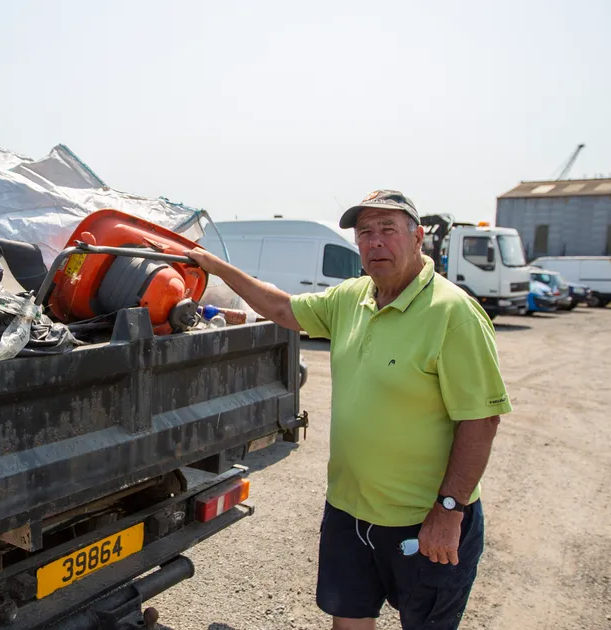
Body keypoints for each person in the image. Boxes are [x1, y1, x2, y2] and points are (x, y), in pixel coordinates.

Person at [185, 190, 510, 630]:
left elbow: (481, 420)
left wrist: (449, 511)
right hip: (349, 512)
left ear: (418, 238)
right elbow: (281, 307)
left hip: (423, 520)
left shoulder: (454, 313)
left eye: (387, 230)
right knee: (349, 623)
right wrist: (213, 265)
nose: (375, 242)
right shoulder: (350, 298)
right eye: (365, 233)